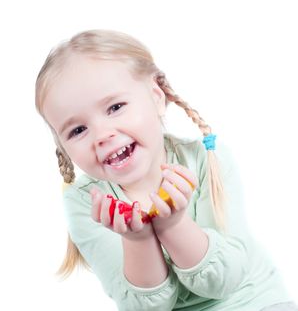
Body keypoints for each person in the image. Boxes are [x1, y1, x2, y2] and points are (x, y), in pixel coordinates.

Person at [35, 29, 297, 311]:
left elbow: (225, 281)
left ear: (157, 97)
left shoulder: (207, 158)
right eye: (78, 130)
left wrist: (173, 225)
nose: (101, 134)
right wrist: (137, 239)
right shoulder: (87, 201)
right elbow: (147, 308)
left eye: (115, 107)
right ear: (62, 146)